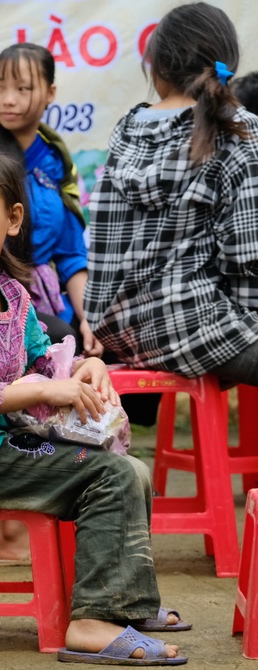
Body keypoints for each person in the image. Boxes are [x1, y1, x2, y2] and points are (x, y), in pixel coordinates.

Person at [0, 147, 188, 666]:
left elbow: (44, 363)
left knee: (132, 471)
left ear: (13, 219)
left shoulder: (12, 293)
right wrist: (45, 392)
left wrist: (80, 371)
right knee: (110, 477)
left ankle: (127, 604)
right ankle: (92, 623)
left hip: (0, 445)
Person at [85, 2, 258, 387]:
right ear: (224, 63)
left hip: (111, 329)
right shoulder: (237, 129)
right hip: (189, 328)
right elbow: (246, 256)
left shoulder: (126, 130)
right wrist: (247, 326)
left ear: (156, 67)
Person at [0, 43, 97, 357]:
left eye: (23, 89)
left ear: (50, 93)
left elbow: (72, 257)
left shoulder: (57, 160)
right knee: (62, 339)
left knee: (109, 339)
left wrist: (91, 320)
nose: (8, 99)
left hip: (49, 299)